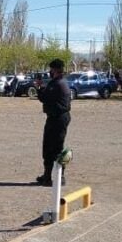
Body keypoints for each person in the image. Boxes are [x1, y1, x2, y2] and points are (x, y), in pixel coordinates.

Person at [36, 58, 71, 186]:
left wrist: (40, 87)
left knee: (54, 148)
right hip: (57, 118)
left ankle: (58, 177)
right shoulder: (59, 82)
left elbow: (44, 98)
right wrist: (41, 87)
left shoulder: (57, 83)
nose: (49, 71)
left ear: (55, 70)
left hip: (58, 118)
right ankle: (48, 175)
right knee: (52, 147)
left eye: (51, 69)